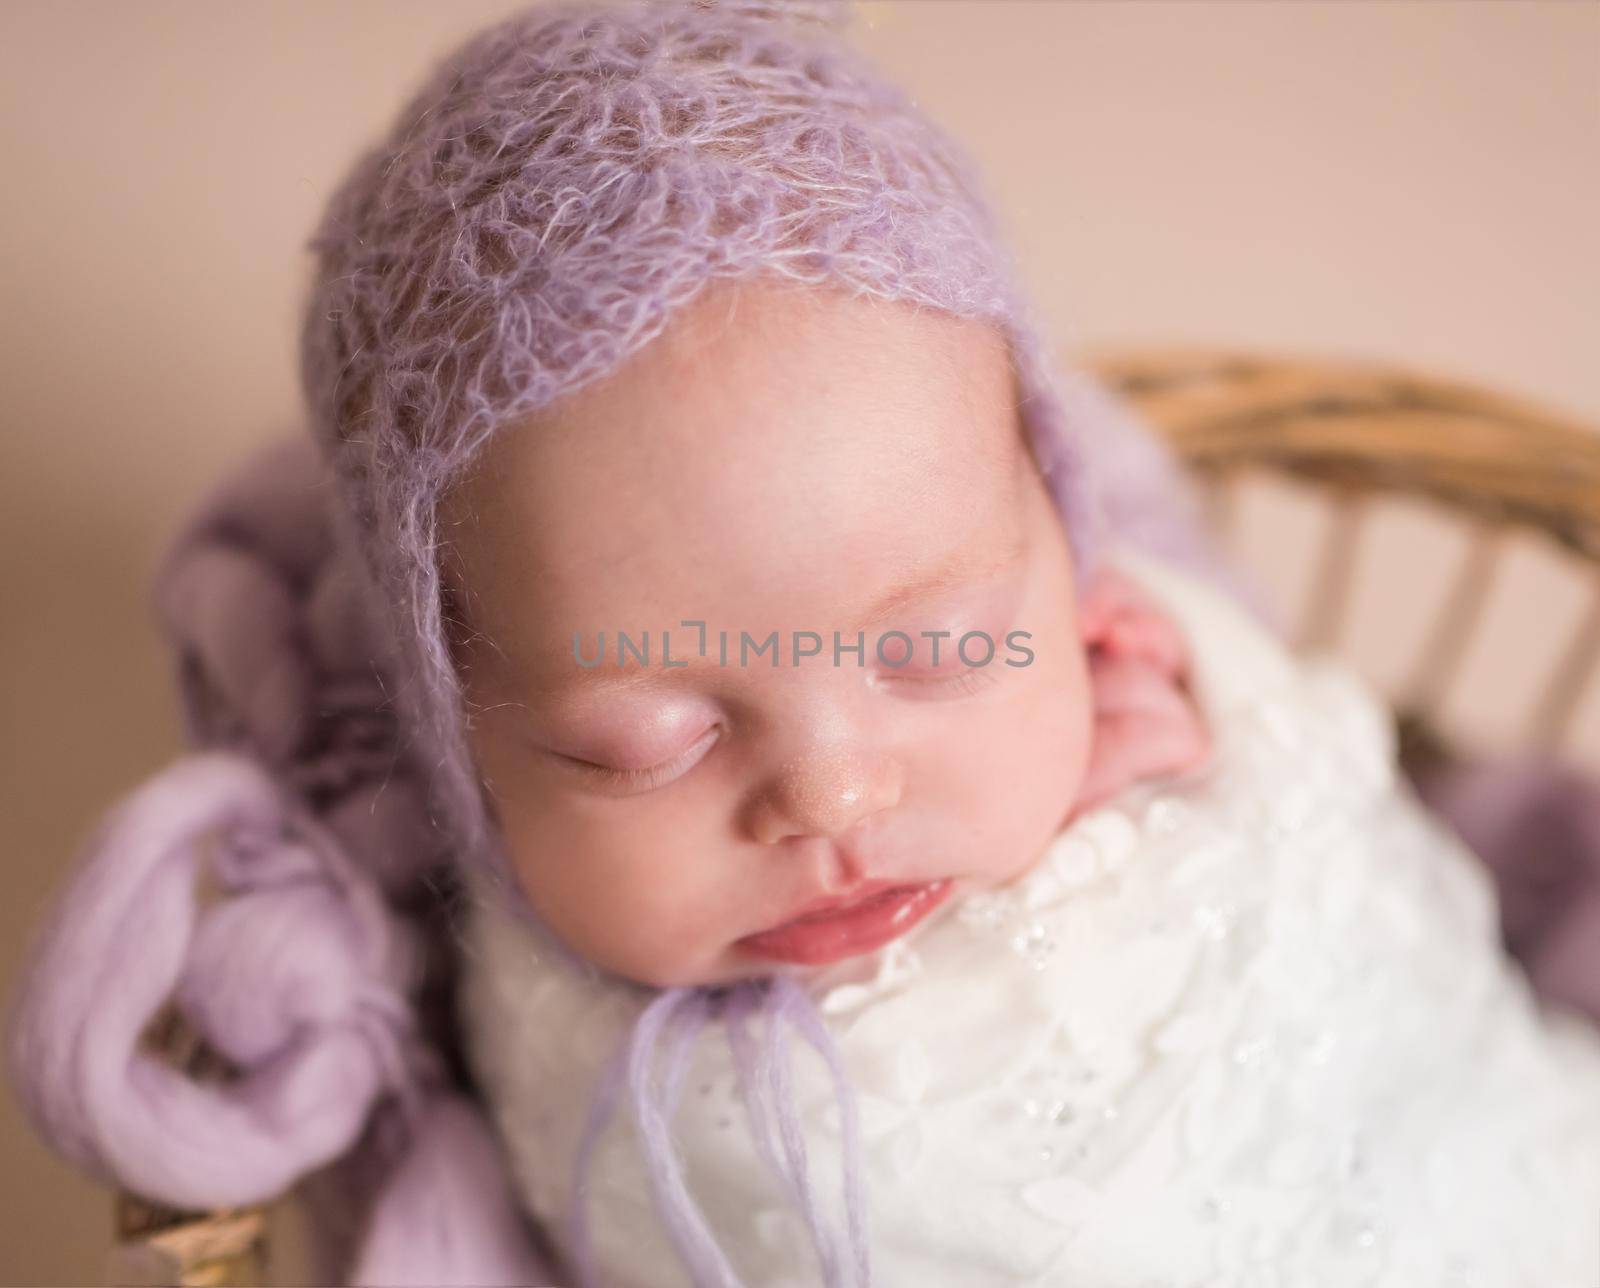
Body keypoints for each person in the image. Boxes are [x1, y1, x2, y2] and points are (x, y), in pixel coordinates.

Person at [8, 1, 1597, 1284]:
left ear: (1069, 552)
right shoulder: (537, 1057)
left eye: (944, 649)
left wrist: (1238, 780)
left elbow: (1421, 887)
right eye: (651, 741)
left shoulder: (1178, 685)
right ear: (457, 739)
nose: (830, 797)